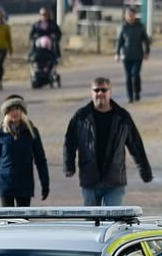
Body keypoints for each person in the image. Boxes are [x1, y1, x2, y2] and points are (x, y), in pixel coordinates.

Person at [64, 77, 153, 206]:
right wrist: (69, 165)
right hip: (90, 178)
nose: (100, 93)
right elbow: (70, 142)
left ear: (110, 92)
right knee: (91, 221)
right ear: (91, 93)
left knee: (114, 221)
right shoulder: (81, 117)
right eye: (96, 90)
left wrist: (145, 170)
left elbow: (135, 144)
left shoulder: (122, 117)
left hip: (115, 180)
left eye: (104, 90)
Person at [0, 94, 50, 207]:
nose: (15, 112)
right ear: (6, 113)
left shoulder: (32, 132)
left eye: (17, 109)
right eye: (11, 110)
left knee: (22, 222)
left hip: (24, 184)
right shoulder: (1, 133)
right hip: (6, 184)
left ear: (22, 111)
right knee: (8, 222)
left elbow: (40, 160)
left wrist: (45, 184)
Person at [115, 6, 151, 103]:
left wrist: (147, 52)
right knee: (128, 76)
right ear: (125, 16)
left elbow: (146, 41)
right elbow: (119, 41)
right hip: (126, 56)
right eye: (128, 15)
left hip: (138, 56)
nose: (130, 17)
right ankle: (130, 96)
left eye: (132, 15)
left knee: (135, 74)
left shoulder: (140, 27)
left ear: (135, 16)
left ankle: (137, 92)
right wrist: (117, 53)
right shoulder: (123, 27)